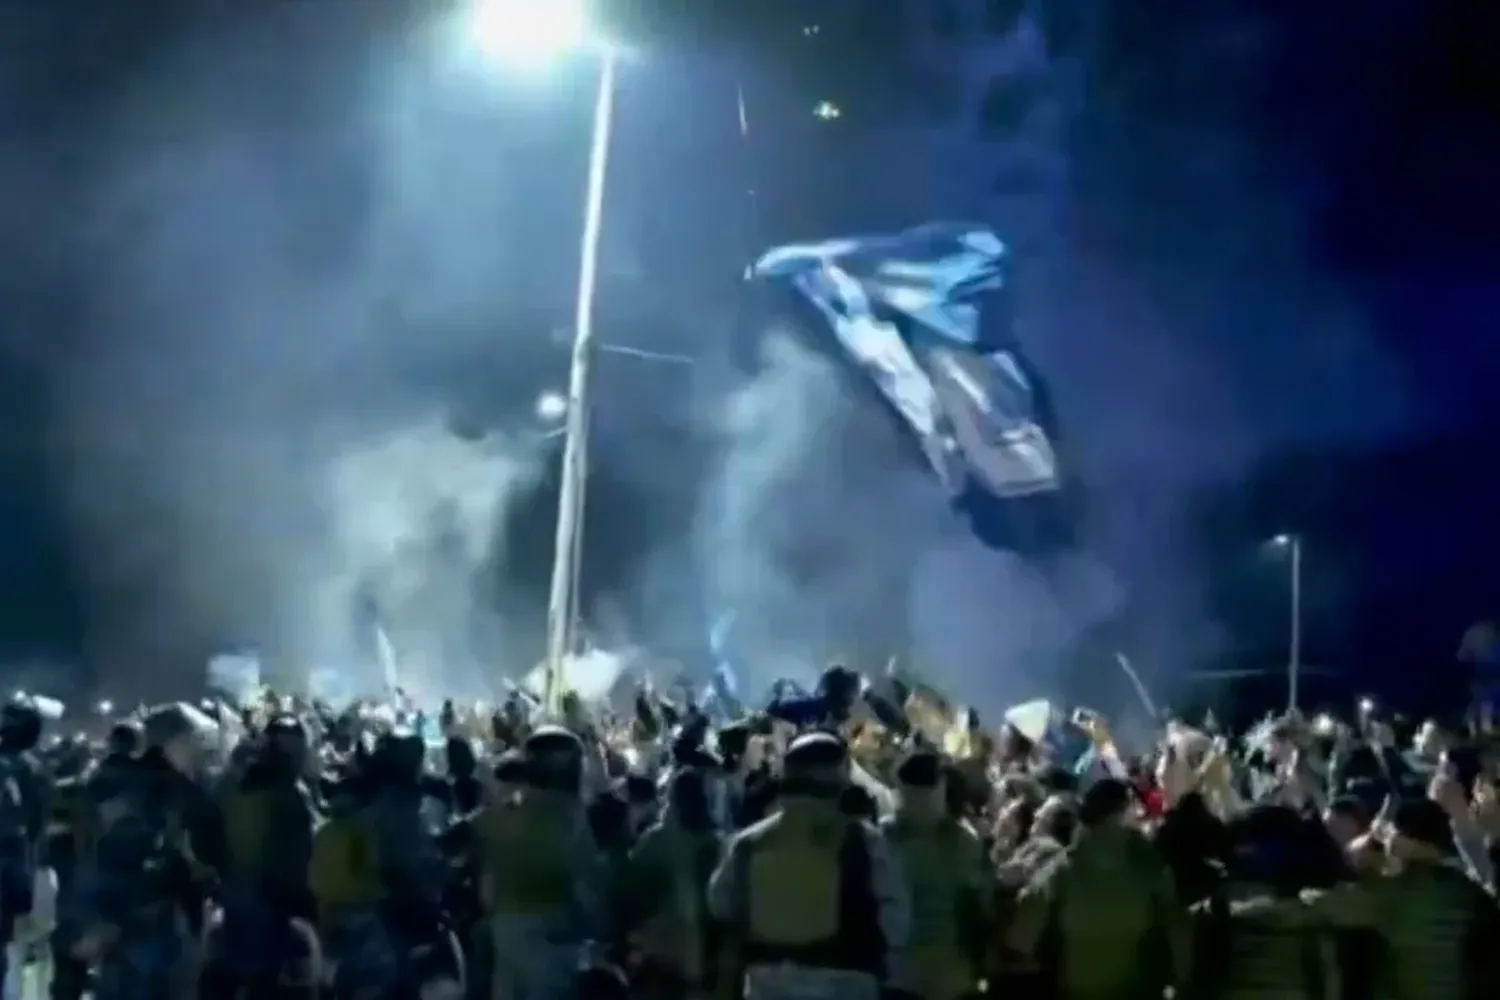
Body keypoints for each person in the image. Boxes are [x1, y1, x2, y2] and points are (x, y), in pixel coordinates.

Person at [707, 731, 909, 1000]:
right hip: (847, 986)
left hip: (767, 986)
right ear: (841, 774)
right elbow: (896, 924)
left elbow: (721, 904)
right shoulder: (865, 841)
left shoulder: (748, 843)